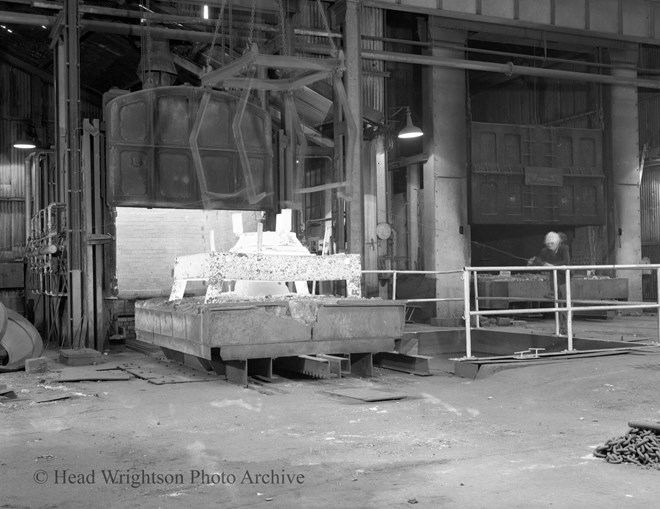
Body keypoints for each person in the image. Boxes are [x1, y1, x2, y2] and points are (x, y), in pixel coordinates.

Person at [528, 231, 570, 335]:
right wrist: (536, 262)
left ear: (557, 243)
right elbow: (539, 260)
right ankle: (562, 327)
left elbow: (566, 262)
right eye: (548, 244)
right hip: (554, 279)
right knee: (558, 303)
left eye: (552, 243)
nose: (550, 246)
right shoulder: (544, 251)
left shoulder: (564, 249)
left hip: (564, 278)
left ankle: (564, 327)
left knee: (564, 303)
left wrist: (552, 265)